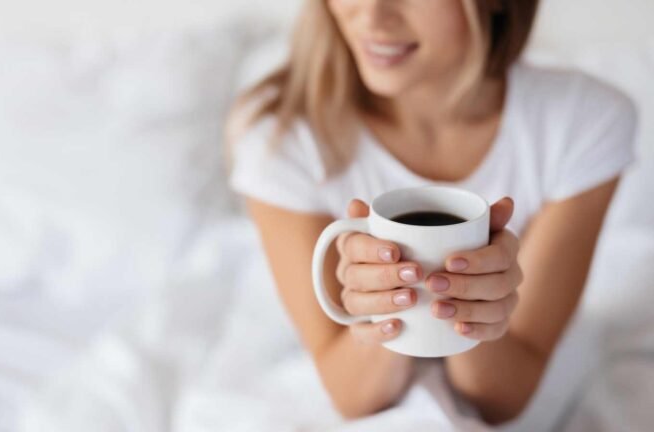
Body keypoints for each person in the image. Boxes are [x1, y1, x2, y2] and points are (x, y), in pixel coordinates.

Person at [225, 0, 638, 425]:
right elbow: (351, 396)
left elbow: (503, 400)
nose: (371, 16)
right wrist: (385, 309)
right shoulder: (280, 138)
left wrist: (475, 310)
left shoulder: (583, 122)